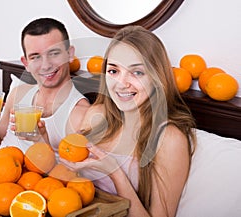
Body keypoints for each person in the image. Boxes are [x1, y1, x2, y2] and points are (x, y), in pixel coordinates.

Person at [60, 25, 196, 217]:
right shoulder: (96, 115)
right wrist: (39, 142)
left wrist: (115, 173)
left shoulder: (168, 139)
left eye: (137, 72)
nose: (121, 83)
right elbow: (66, 184)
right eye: (114, 71)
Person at [0, 18, 90, 153]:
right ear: (26, 63)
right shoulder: (17, 94)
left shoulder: (82, 115)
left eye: (54, 53)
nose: (46, 66)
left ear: (70, 54)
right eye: (35, 57)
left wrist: (42, 143)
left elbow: (71, 172)